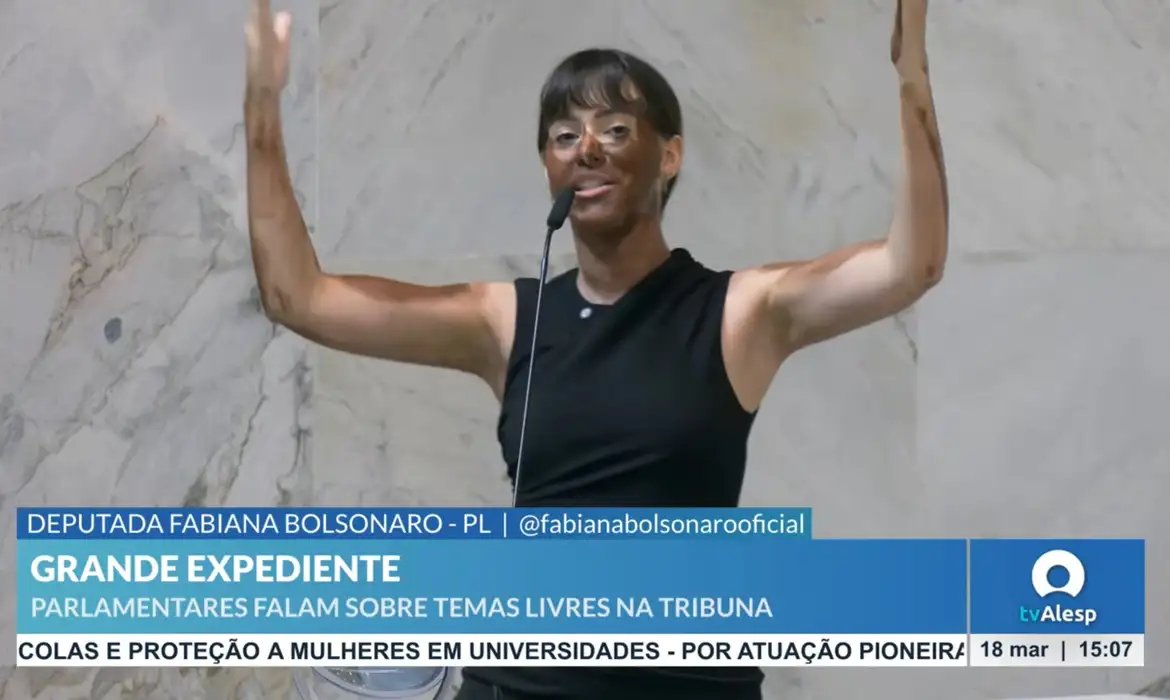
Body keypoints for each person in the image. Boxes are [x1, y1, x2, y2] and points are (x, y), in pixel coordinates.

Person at [244, 0, 947, 697]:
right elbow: (299, 297)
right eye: (563, 135)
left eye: (615, 129)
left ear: (669, 156)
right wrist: (262, 109)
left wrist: (913, 81)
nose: (586, 149)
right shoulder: (506, 320)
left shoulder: (739, 312)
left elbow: (908, 265)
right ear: (549, 168)